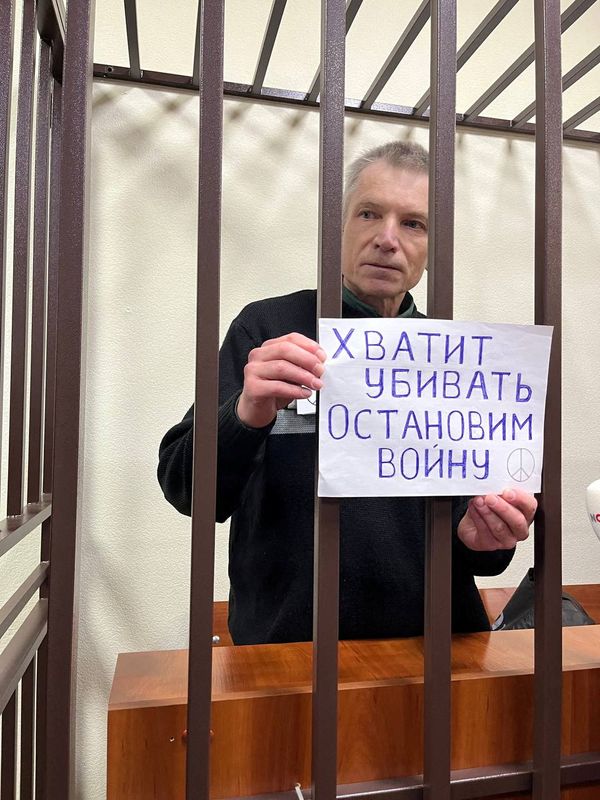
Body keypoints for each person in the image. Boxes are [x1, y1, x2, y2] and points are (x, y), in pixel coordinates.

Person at [158, 140, 537, 645]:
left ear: (432, 248)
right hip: (289, 649)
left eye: (413, 223)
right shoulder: (267, 328)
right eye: (368, 213)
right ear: (337, 228)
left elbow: (481, 542)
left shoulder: (458, 357)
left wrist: (486, 540)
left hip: (438, 652)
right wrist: (247, 413)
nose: (387, 238)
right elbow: (187, 489)